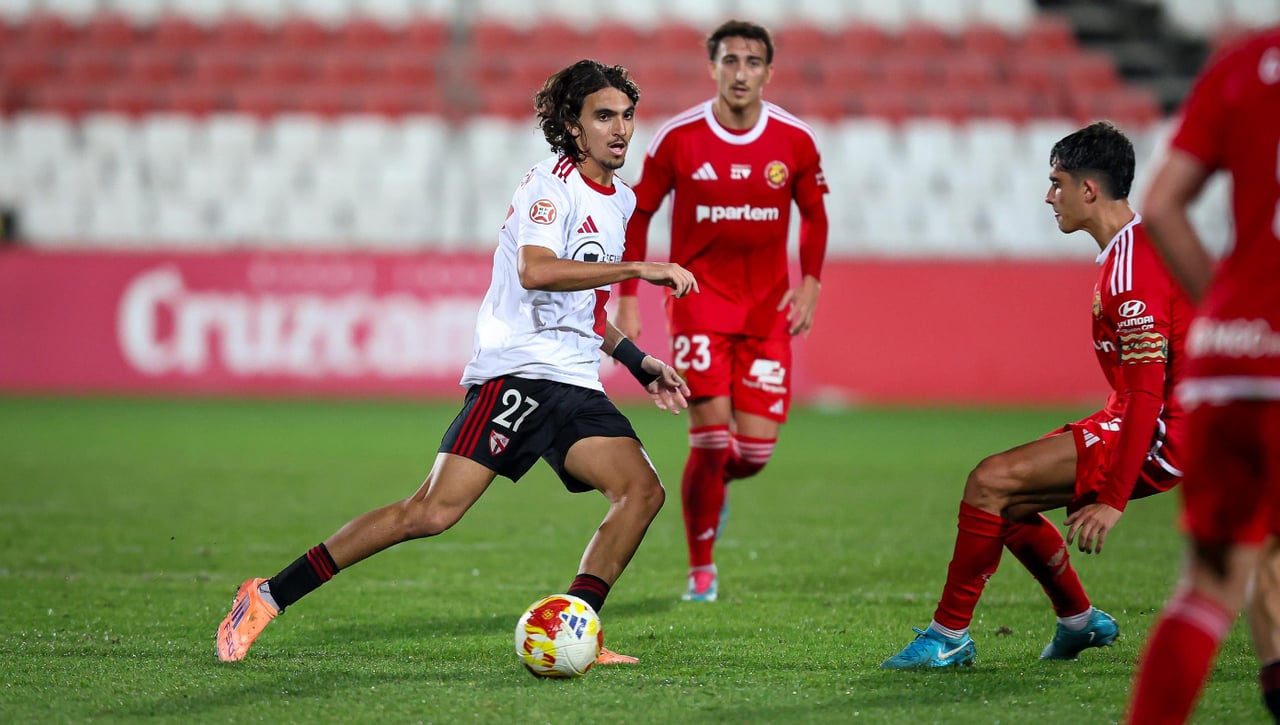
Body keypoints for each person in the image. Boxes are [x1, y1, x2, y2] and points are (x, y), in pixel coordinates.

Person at [215, 59, 700, 665]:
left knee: (641, 493)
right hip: (518, 374)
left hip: (574, 379)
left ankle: (575, 628)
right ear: (574, 127)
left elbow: (579, 308)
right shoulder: (548, 186)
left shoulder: (621, 201)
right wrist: (640, 268)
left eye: (627, 116)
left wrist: (637, 360)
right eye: (604, 116)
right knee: (430, 512)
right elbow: (537, 270)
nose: (621, 129)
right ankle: (266, 594)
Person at [881, 121, 1194, 669]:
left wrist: (1113, 499)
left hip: (1165, 432)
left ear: (1088, 190)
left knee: (990, 482)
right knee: (1010, 500)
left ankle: (948, 636)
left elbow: (1147, 395)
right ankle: (1079, 622)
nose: (1050, 196)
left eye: (1058, 183)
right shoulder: (1130, 252)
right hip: (1142, 417)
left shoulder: (1132, 270)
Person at [614, 19, 830, 603]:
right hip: (698, 306)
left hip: (766, 314)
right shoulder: (679, 138)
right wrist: (628, 295)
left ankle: (712, 490)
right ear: (712, 67)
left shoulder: (795, 139)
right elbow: (640, 212)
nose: (740, 72)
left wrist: (810, 282)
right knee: (709, 443)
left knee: (752, 454)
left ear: (768, 71)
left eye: (752, 62)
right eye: (729, 60)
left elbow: (814, 214)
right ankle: (701, 569)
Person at [1125, 27, 1280, 724]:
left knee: (1208, 589)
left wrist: (1225, 307)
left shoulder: (1245, 62)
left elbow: (1159, 205)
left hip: (1232, 362)